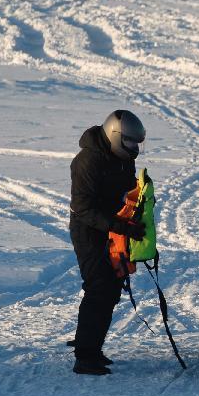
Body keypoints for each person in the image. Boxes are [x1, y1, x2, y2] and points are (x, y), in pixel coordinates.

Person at [68, 109, 146, 375]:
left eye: (137, 143)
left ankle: (92, 346)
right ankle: (85, 356)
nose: (134, 148)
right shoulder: (87, 161)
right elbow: (83, 208)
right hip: (88, 230)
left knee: (111, 289)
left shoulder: (122, 159)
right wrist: (119, 225)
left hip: (112, 229)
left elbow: (125, 191)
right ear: (115, 136)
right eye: (130, 142)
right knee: (98, 287)